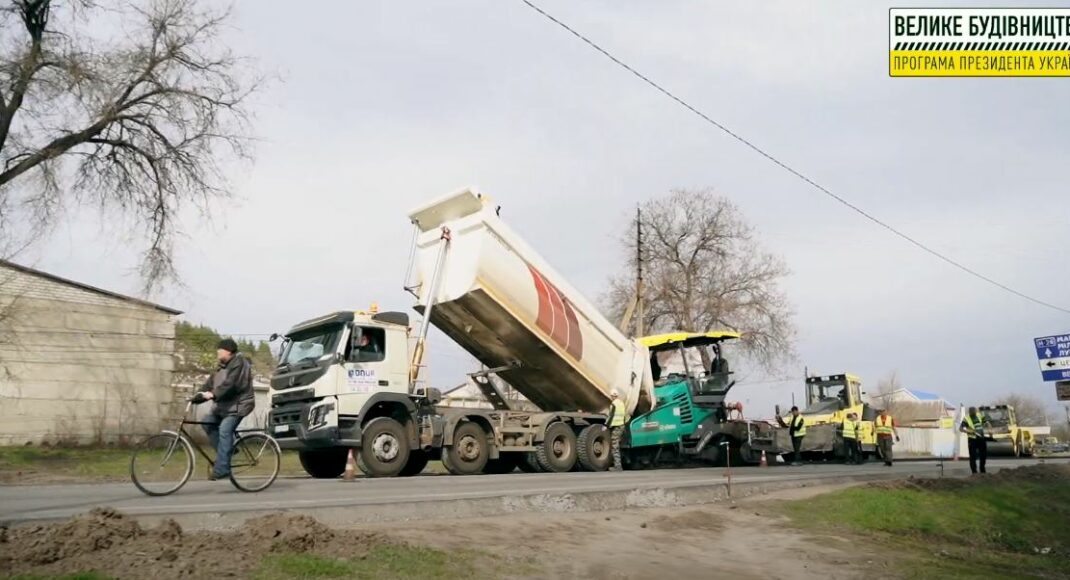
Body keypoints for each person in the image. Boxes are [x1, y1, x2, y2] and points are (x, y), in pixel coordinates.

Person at [196, 338, 255, 480]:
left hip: (240, 404)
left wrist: (214, 394)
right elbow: (208, 385)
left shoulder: (240, 363)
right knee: (207, 422)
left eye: (219, 349)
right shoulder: (220, 367)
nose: (217, 352)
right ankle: (228, 452)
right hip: (225, 406)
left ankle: (222, 468)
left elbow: (231, 384)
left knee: (224, 429)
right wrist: (196, 397)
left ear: (228, 351)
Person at [960, 406, 988, 475]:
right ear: (969, 412)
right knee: (973, 456)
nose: (973, 413)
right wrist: (967, 431)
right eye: (971, 412)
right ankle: (974, 472)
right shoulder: (966, 418)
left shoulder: (979, 415)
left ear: (975, 411)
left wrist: (989, 426)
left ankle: (982, 470)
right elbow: (961, 428)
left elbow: (986, 422)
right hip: (972, 439)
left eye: (974, 412)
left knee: (983, 455)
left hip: (981, 438)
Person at [606, 390, 628, 471]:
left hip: (616, 426)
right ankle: (620, 463)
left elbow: (611, 416)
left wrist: (606, 425)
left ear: (612, 396)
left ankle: (618, 466)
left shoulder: (613, 404)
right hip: (621, 426)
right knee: (618, 445)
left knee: (615, 446)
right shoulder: (621, 403)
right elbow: (624, 415)